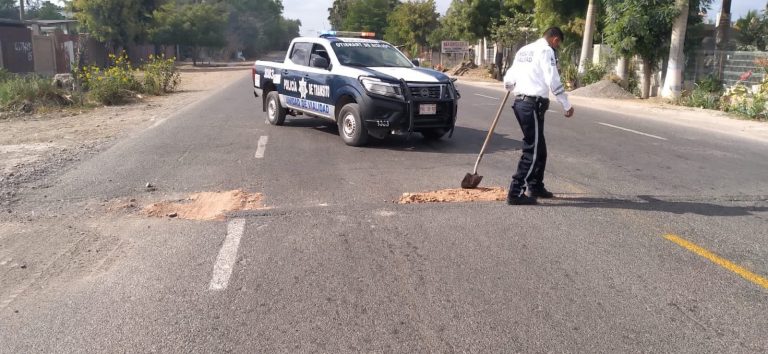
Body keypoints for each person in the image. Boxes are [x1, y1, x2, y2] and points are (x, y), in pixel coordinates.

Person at [503, 27, 575, 205]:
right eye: (558, 44)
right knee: (532, 150)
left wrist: (510, 85)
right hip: (531, 105)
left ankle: (535, 185)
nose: (557, 47)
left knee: (539, 148)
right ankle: (515, 192)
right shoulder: (546, 50)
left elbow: (509, 78)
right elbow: (553, 79)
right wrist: (566, 104)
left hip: (522, 103)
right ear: (555, 39)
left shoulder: (524, 50)